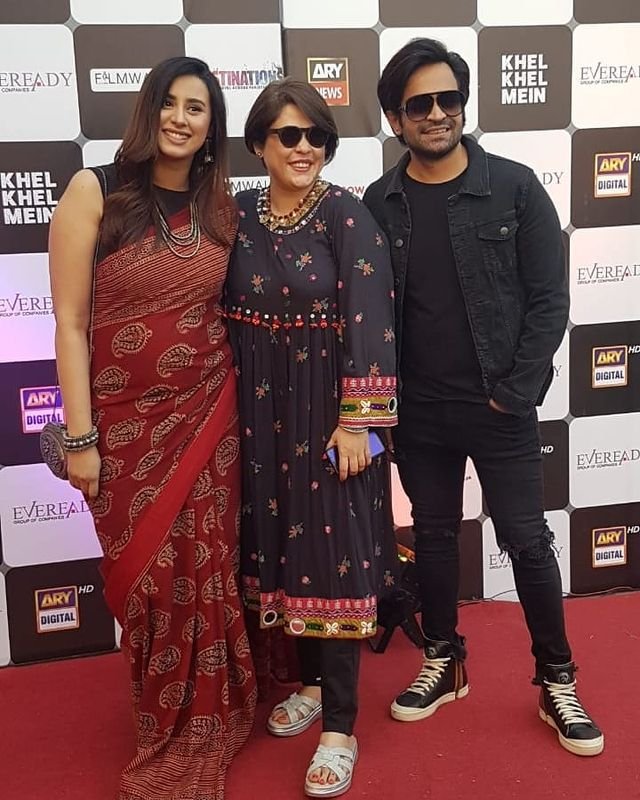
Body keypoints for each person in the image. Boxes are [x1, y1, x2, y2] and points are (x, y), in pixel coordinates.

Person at [363, 38, 604, 757]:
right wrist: (385, 406)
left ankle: (556, 679)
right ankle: (445, 661)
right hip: (419, 412)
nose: (438, 113)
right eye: (420, 104)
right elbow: (370, 316)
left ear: (463, 105)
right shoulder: (379, 203)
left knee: (527, 541)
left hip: (500, 407)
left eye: (450, 99)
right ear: (395, 119)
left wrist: (514, 394)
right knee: (434, 537)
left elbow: (549, 300)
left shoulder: (516, 188)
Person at [48, 56, 256, 799]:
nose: (180, 118)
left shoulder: (220, 206)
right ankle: (164, 719)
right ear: (148, 110)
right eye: (169, 102)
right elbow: (71, 324)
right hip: (124, 431)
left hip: (210, 415)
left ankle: (210, 713)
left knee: (209, 567)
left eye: (196, 108)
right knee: (151, 582)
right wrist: (80, 440)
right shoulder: (94, 191)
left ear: (211, 127)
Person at [224, 77, 398, 797]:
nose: (304, 148)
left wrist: (359, 423)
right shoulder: (236, 212)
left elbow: (373, 321)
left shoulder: (347, 216)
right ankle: (311, 685)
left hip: (329, 418)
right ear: (259, 143)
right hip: (259, 418)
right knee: (283, 550)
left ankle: (340, 727)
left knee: (334, 558)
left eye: (317, 136)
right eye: (288, 135)